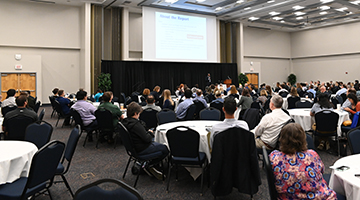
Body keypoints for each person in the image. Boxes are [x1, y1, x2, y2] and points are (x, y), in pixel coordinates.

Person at [270, 123, 337, 200]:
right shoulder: (312, 155)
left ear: (281, 139)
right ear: (303, 138)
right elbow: (321, 171)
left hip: (288, 197)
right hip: (316, 197)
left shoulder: (274, 157)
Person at [122, 102, 169, 180]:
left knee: (157, 143)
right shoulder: (136, 125)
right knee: (165, 148)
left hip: (133, 148)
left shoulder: (125, 122)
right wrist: (150, 133)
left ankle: (148, 164)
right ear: (136, 113)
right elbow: (147, 138)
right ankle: (150, 165)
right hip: (142, 148)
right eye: (139, 114)